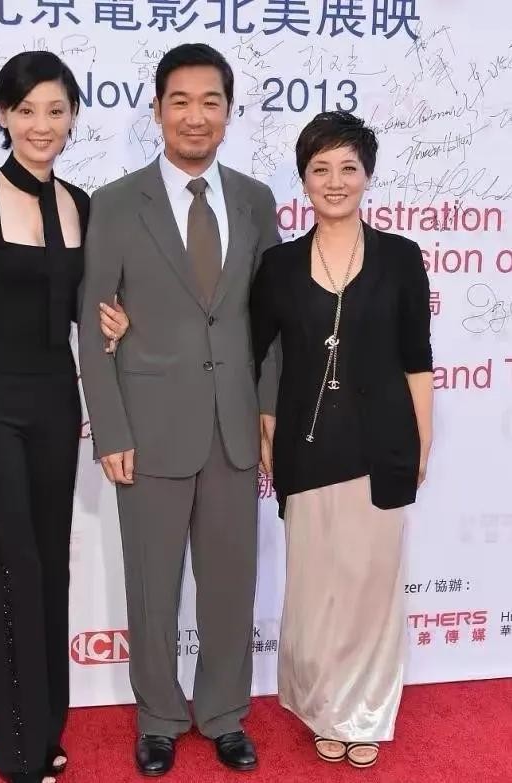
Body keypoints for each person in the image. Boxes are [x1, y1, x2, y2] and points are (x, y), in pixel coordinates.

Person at [0, 51, 129, 783]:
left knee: (48, 567)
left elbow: (82, 306)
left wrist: (111, 323)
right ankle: (17, 750)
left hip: (54, 401)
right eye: (27, 109)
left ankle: (46, 725)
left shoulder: (82, 203)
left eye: (56, 110)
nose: (42, 125)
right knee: (12, 571)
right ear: (3, 115)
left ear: (72, 118)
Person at [78, 43, 280, 777]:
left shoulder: (255, 200)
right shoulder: (114, 202)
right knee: (152, 585)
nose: (196, 116)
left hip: (235, 426)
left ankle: (224, 712)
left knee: (231, 584)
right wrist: (110, 427)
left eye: (211, 102)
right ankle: (159, 717)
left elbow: (271, 319)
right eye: (181, 101)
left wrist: (269, 412)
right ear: (158, 109)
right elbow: (93, 321)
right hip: (148, 427)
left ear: (229, 111)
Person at [250, 111, 433, 770]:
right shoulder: (278, 266)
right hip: (306, 448)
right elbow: (249, 352)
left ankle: (367, 714)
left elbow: (417, 358)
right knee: (316, 588)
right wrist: (263, 419)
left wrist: (423, 440)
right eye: (320, 168)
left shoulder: (401, 258)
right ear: (304, 179)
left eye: (348, 168)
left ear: (367, 176)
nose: (335, 181)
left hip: (383, 445)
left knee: (372, 587)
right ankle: (326, 707)